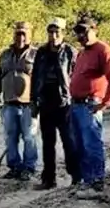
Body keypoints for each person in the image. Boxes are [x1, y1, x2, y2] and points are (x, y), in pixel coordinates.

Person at [68, 17, 110, 199]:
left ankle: (96, 182)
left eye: (84, 31)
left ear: (94, 29)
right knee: (79, 146)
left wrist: (105, 103)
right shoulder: (82, 53)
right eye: (78, 32)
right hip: (75, 104)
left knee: (92, 144)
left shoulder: (102, 50)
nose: (81, 35)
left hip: (90, 105)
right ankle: (85, 181)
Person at [31, 18, 80, 190]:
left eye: (57, 32)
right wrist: (33, 101)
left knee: (69, 141)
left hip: (64, 103)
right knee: (48, 143)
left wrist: (74, 97)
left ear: (62, 33)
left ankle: (75, 176)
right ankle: (48, 179)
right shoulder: (41, 52)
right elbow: (35, 76)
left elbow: (76, 76)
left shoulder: (70, 52)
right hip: (45, 101)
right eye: (51, 32)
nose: (53, 35)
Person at [0, 21, 39, 182]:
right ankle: (14, 167)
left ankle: (29, 168)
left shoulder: (36, 55)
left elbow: (42, 79)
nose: (21, 37)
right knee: (10, 137)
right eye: (18, 33)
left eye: (24, 34)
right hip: (9, 104)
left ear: (29, 35)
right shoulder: (5, 54)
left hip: (29, 105)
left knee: (29, 137)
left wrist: (39, 100)